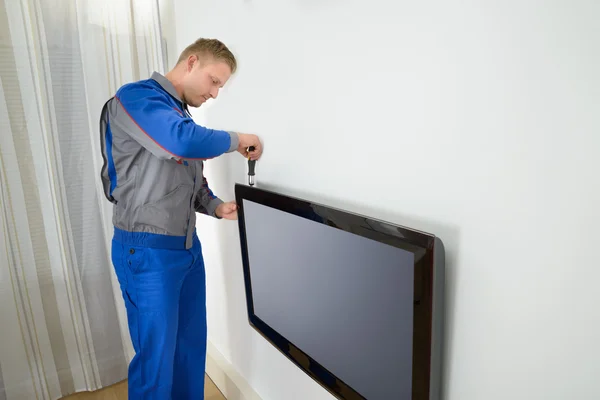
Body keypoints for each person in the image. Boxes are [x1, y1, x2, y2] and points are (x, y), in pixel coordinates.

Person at [99, 38, 262, 399]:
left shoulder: (177, 113)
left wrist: (216, 205)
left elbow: (189, 177)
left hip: (187, 249)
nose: (215, 93)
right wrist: (238, 140)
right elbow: (182, 143)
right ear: (191, 63)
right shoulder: (136, 99)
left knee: (189, 353)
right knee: (156, 363)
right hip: (147, 252)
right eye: (214, 81)